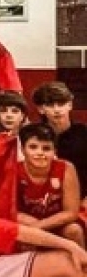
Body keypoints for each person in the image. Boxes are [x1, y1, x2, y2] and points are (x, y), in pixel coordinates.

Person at [16, 123, 84, 248]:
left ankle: (83, 264)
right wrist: (32, 228)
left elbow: (71, 212)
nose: (40, 153)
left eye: (46, 148)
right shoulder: (14, 171)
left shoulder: (66, 168)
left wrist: (39, 226)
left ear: (54, 151)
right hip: (27, 222)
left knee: (74, 230)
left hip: (59, 223)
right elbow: (12, 211)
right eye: (33, 147)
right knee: (23, 235)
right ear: (22, 150)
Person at [31, 81, 87, 209]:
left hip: (82, 199)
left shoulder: (83, 133)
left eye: (61, 104)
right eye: (50, 105)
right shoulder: (33, 136)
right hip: (41, 201)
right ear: (41, 109)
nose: (57, 110)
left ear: (70, 105)